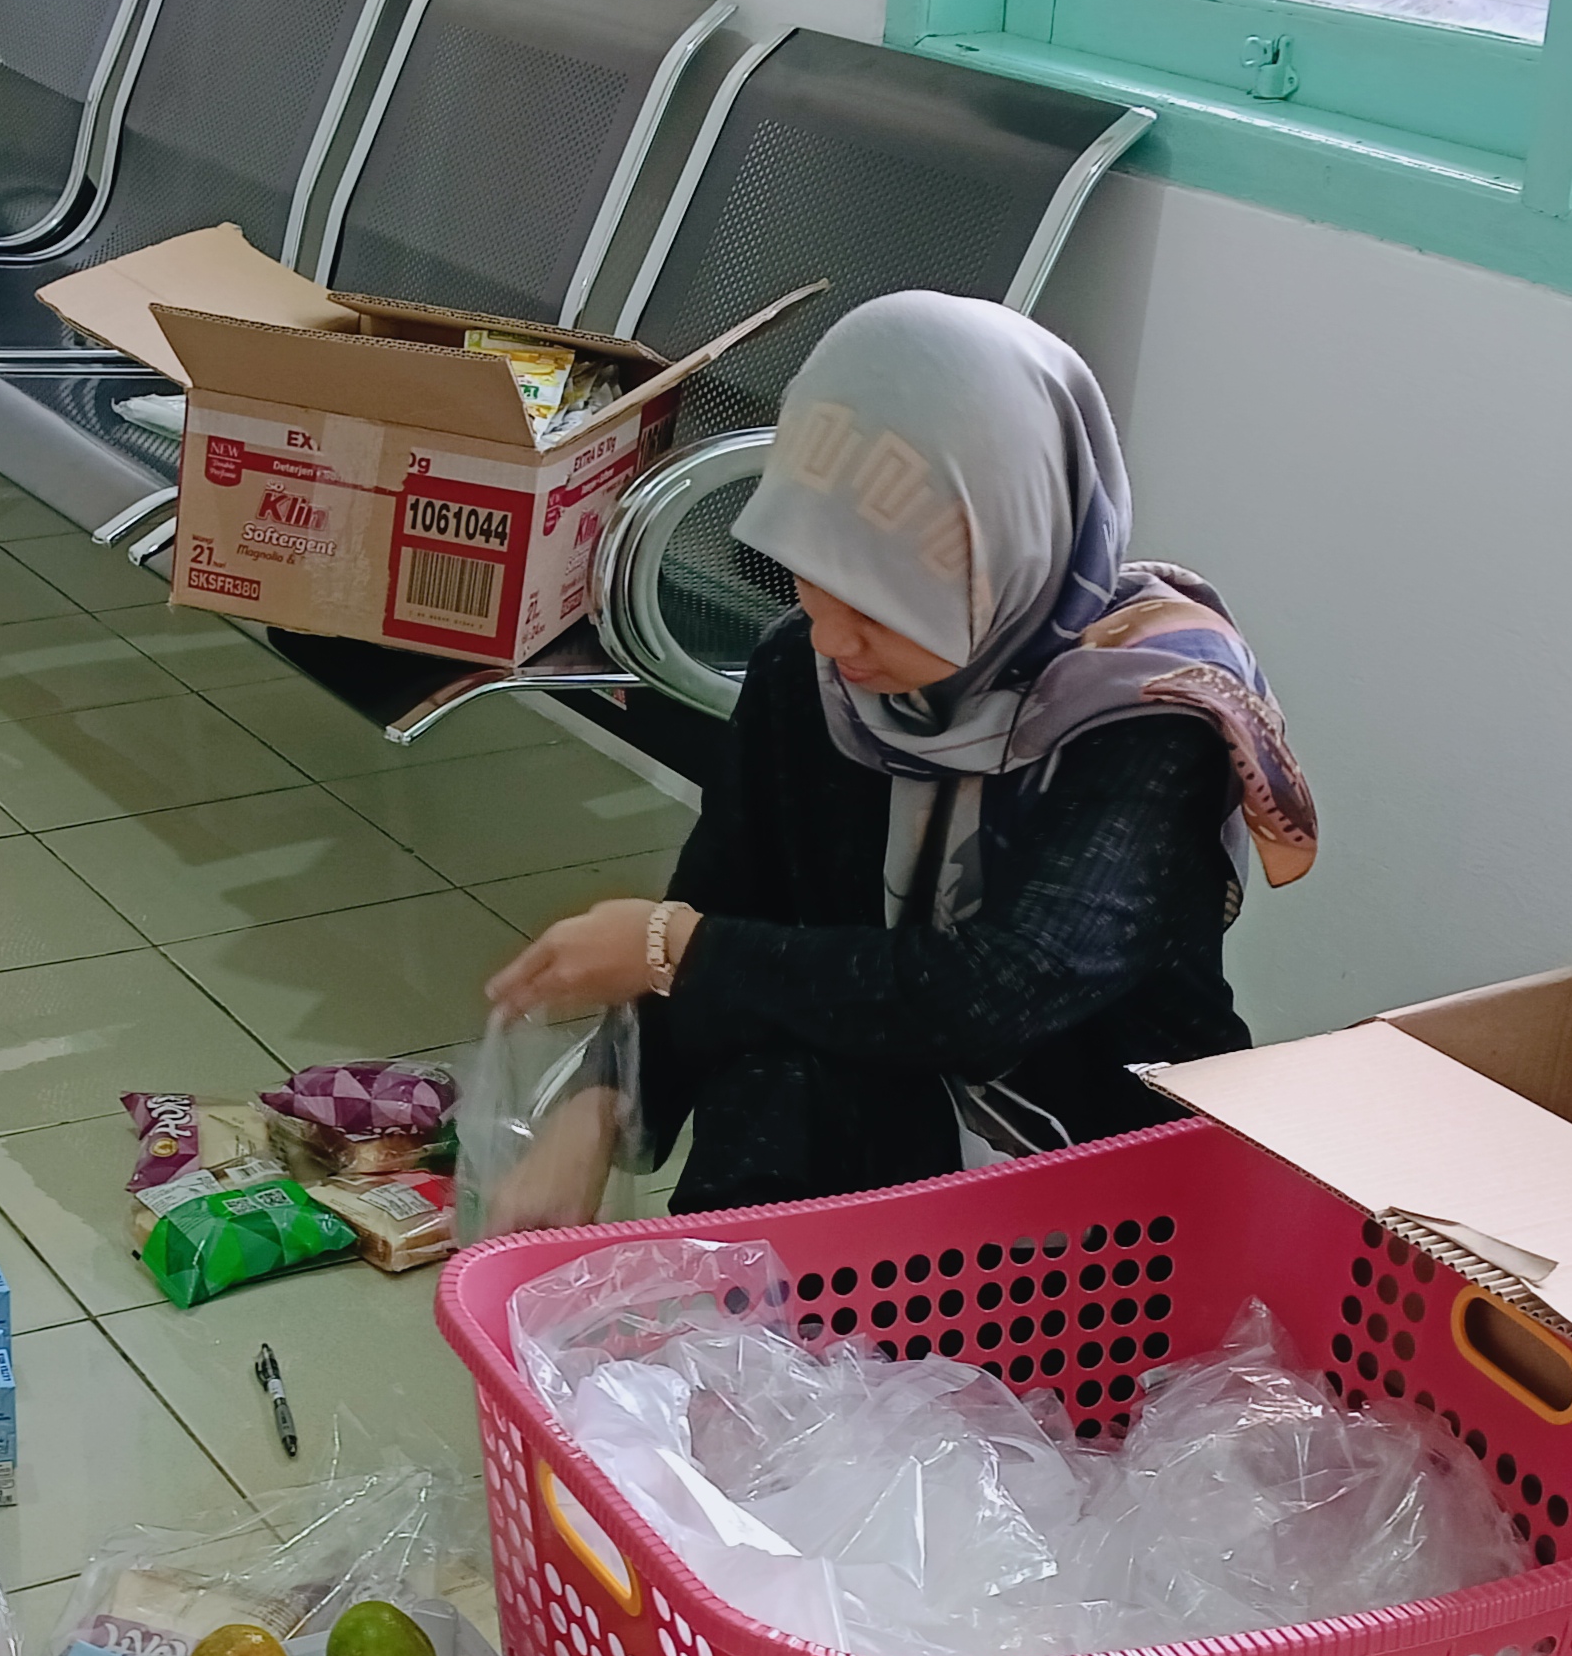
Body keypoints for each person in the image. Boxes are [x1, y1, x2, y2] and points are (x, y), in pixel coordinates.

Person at [485, 293, 1319, 1216]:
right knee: (773, 1083)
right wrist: (599, 1104)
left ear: (1001, 555)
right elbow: (729, 906)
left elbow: (994, 991)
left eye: (878, 601)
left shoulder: (1149, 713)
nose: (834, 638)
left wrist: (669, 946)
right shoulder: (806, 672)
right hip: (884, 1107)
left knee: (782, 1036)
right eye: (809, 573)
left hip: (1101, 1168)